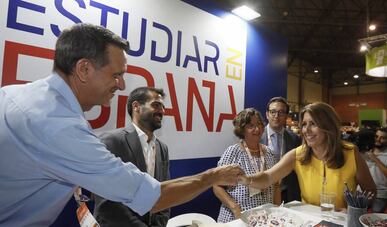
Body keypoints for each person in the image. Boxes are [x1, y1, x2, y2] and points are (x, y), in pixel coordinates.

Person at [0, 23, 244, 226]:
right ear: (84, 69)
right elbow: (151, 196)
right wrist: (212, 176)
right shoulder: (59, 127)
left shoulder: (17, 95)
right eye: (116, 75)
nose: (121, 85)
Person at [238, 102, 376, 210]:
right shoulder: (297, 154)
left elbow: (370, 192)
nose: (306, 130)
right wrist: (244, 179)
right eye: (304, 124)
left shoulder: (351, 153)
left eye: (313, 124)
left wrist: (354, 209)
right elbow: (268, 177)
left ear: (328, 126)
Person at [93, 87, 170, 227]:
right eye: (156, 105)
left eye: (163, 107)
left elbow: (163, 193)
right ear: (136, 106)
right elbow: (107, 202)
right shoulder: (111, 141)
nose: (162, 111)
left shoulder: (162, 148)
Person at [214, 108, 276, 223]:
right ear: (242, 130)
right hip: (236, 218)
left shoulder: (270, 153)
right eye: (251, 126)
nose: (257, 129)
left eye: (259, 124)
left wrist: (277, 210)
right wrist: (235, 208)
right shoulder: (233, 152)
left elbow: (276, 185)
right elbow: (217, 186)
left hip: (264, 219)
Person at [260, 97, 301, 204]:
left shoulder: (294, 139)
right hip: (263, 192)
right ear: (267, 114)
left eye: (281, 112)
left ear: (286, 116)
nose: (276, 116)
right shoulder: (256, 136)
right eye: (273, 112)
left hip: (287, 193)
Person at [364, 127, 387, 213]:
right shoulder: (365, 152)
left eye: (382, 138)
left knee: (376, 221)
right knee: (357, 218)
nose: (378, 139)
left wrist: (376, 160)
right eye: (376, 136)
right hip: (363, 192)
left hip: (380, 194)